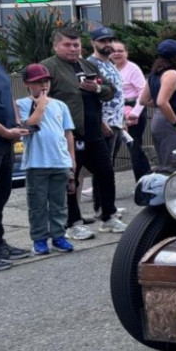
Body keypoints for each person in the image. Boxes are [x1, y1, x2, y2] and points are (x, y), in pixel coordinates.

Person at [42, 28, 125, 236]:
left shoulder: (87, 65)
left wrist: (96, 89)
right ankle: (72, 223)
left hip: (93, 131)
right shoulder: (48, 67)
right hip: (68, 134)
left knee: (105, 173)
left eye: (76, 45)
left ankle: (108, 217)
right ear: (56, 46)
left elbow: (109, 91)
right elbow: (40, 99)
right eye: (67, 45)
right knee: (71, 178)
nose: (72, 49)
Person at [16, 64, 76, 254]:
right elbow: (29, 125)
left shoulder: (60, 105)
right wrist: (40, 105)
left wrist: (71, 160)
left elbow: (68, 134)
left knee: (59, 203)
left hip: (60, 161)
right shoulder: (21, 105)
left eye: (46, 81)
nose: (43, 85)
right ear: (27, 83)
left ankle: (59, 235)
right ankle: (39, 238)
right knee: (38, 204)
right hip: (37, 163)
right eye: (37, 82)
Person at [0, 18, 30, 270]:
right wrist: (6, 131)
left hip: (4, 141)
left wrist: (16, 124)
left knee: (0, 195)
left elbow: (7, 97)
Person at [85, 26, 125, 220]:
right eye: (102, 41)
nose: (107, 44)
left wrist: (122, 119)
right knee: (103, 167)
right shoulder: (90, 65)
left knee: (108, 167)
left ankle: (108, 205)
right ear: (93, 43)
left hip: (116, 122)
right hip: (103, 123)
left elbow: (117, 93)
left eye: (110, 41)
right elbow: (89, 97)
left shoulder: (110, 63)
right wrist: (101, 122)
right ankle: (101, 208)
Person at [140, 39, 176, 167]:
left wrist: (162, 107)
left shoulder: (154, 74)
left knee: (164, 162)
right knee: (174, 163)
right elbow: (162, 101)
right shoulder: (172, 74)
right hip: (170, 121)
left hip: (158, 119)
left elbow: (144, 100)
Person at [111, 41, 151, 181]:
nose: (116, 53)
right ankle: (102, 183)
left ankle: (143, 181)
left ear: (126, 53)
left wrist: (136, 112)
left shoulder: (133, 68)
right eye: (114, 50)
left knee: (134, 147)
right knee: (109, 149)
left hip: (133, 110)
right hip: (115, 112)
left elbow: (143, 91)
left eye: (120, 50)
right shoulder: (109, 68)